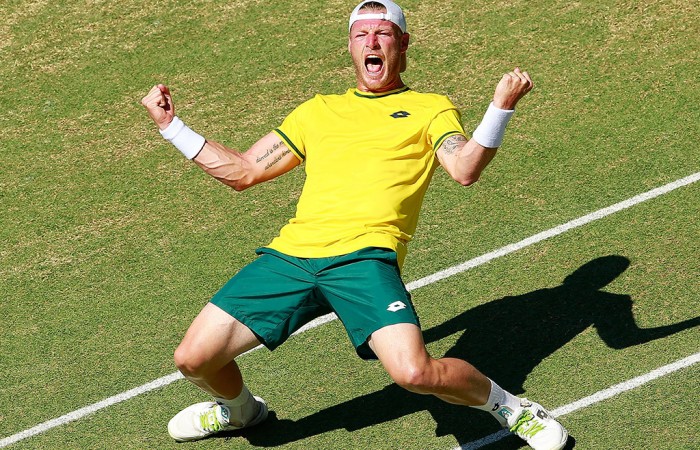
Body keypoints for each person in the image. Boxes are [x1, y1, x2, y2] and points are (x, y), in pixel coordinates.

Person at [140, 1, 567, 449]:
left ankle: (513, 409)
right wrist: (172, 127)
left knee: (414, 373)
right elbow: (244, 172)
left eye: (383, 34)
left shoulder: (429, 109)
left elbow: (464, 168)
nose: (372, 42)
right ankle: (241, 410)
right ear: (350, 45)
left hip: (364, 259)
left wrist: (500, 109)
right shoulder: (317, 112)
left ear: (402, 44)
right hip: (294, 257)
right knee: (193, 360)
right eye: (362, 35)